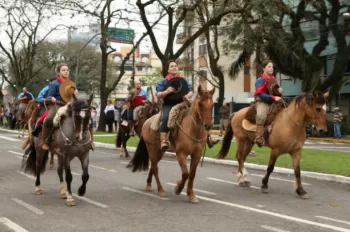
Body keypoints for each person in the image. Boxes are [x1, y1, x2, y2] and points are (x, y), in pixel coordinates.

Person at [156, 60, 219, 150]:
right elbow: (158, 95)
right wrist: (166, 91)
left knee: (199, 114)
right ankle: (163, 141)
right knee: (166, 117)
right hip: (169, 104)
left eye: (175, 66)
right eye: (172, 66)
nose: (174, 67)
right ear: (168, 70)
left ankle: (208, 137)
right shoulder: (164, 81)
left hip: (183, 103)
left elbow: (190, 91)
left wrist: (187, 95)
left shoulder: (183, 80)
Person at [254, 60, 282, 147]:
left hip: (274, 102)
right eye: (269, 67)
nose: (271, 68)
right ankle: (258, 136)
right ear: (263, 68)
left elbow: (275, 91)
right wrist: (273, 97)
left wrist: (279, 91)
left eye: (272, 67)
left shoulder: (273, 79)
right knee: (261, 115)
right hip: (263, 102)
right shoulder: (260, 80)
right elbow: (261, 94)